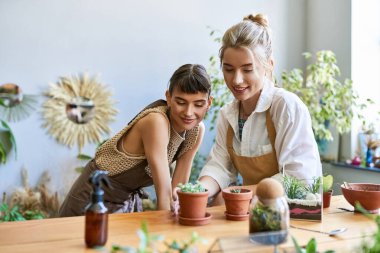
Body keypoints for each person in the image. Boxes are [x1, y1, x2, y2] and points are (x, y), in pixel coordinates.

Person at [198, 14, 322, 204]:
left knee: (223, 200)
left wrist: (237, 193)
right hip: (252, 210)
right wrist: (197, 191)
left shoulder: (286, 107)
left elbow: (298, 180)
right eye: (228, 69)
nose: (236, 80)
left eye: (247, 69)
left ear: (269, 65)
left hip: (292, 212)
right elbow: (219, 167)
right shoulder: (228, 114)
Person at [59, 64, 212, 217]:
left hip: (123, 205)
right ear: (169, 98)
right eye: (181, 102)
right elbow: (164, 194)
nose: (189, 112)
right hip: (92, 198)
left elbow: (177, 191)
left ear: (208, 103)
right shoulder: (156, 121)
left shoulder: (196, 131)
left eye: (198, 104)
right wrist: (165, 235)